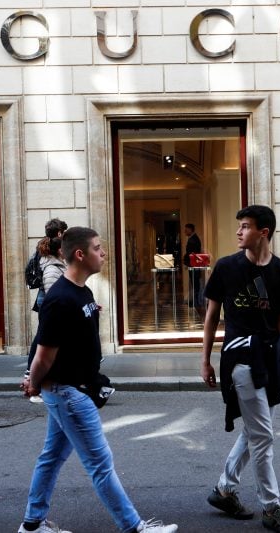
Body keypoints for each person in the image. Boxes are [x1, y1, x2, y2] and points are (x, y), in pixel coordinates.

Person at [19, 227, 177, 533]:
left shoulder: (82, 293)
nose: (103, 253)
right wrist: (33, 382)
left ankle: (32, 524)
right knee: (100, 464)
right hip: (68, 393)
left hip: (72, 390)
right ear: (80, 254)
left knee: (51, 458)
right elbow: (43, 353)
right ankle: (134, 527)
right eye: (98, 248)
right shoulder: (59, 299)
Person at [200, 205, 280, 533]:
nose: (238, 232)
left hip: (270, 360)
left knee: (256, 431)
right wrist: (205, 359)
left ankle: (224, 489)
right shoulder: (227, 267)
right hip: (240, 359)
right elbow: (212, 315)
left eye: (245, 227)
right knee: (262, 436)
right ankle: (272, 508)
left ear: (264, 232)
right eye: (239, 226)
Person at [25, 218, 68, 404]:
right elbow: (52, 288)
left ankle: (33, 376)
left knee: (43, 339)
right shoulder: (50, 259)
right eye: (64, 232)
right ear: (59, 234)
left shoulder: (44, 250)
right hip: (47, 302)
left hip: (45, 301)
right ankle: (33, 380)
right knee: (43, 340)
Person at [182, 223, 206, 319]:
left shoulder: (193, 240)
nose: (185, 231)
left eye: (186, 229)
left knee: (195, 284)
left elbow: (191, 254)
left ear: (191, 230)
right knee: (195, 284)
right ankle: (196, 302)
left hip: (194, 265)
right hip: (193, 265)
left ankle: (197, 303)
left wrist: (186, 260)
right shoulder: (193, 238)